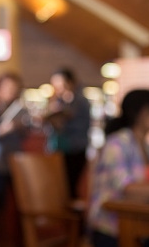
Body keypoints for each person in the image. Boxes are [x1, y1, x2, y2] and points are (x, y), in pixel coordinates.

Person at [88, 89, 149, 247]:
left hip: (140, 223)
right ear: (140, 112)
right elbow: (128, 190)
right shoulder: (117, 144)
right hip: (111, 228)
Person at [0, 71, 31, 210]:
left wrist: (20, 127)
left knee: (17, 202)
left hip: (15, 160)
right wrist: (2, 130)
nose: (10, 91)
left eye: (13, 88)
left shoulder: (20, 110)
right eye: (7, 87)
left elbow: (25, 135)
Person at [44, 67, 91, 199]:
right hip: (58, 149)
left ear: (70, 83)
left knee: (71, 187)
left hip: (75, 149)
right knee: (59, 187)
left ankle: (73, 217)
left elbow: (83, 127)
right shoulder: (58, 102)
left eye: (61, 85)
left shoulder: (81, 102)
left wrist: (63, 123)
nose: (59, 88)